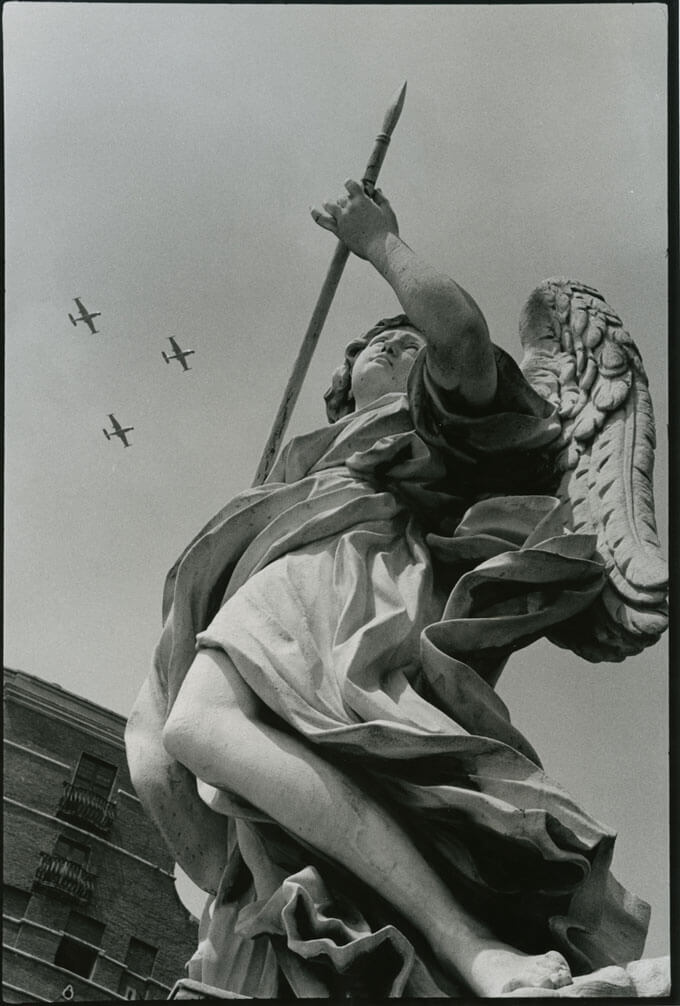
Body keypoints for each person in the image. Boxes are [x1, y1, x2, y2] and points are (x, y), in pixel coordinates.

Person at [125, 181, 649, 998]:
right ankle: (266, 928)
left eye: (404, 341)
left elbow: (463, 336)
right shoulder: (314, 459)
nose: (390, 344)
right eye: (374, 342)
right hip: (269, 592)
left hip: (354, 575)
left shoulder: (430, 427)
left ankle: (467, 944)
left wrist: (380, 243)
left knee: (202, 726)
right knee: (157, 761)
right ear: (340, 383)